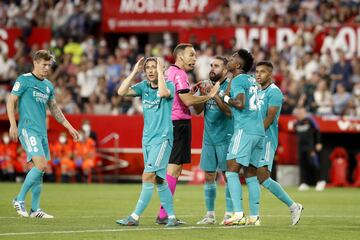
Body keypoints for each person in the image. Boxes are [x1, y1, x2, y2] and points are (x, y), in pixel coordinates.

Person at [7, 49, 80, 218]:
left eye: (49, 65)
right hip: (27, 128)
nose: (47, 68)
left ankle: (35, 209)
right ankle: (19, 199)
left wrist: (69, 127)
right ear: (35, 63)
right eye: (44, 64)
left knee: (39, 171)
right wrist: (13, 125)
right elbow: (11, 101)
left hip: (41, 132)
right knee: (41, 165)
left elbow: (54, 109)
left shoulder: (48, 85)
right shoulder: (24, 80)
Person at [156, 43, 220, 224]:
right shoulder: (180, 74)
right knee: (174, 169)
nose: (194, 58)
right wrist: (210, 95)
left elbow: (179, 96)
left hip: (169, 122)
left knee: (172, 168)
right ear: (180, 57)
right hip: (179, 123)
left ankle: (163, 214)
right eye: (191, 55)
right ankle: (164, 214)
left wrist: (191, 93)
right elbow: (186, 99)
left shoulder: (169, 72)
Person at [116, 57, 178, 227]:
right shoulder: (143, 87)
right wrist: (134, 72)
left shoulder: (169, 86)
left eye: (154, 67)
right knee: (159, 180)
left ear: (161, 69)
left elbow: (164, 93)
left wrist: (160, 72)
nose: (150, 70)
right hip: (147, 140)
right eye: (148, 68)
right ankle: (171, 217)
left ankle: (134, 217)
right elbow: (121, 92)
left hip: (163, 139)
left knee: (148, 175)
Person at [255, 61, 303, 225]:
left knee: (262, 176)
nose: (258, 74)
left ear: (270, 74)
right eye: (257, 71)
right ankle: (251, 215)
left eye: (262, 72)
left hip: (266, 139)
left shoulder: (274, 92)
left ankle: (293, 206)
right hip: (254, 137)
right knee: (252, 175)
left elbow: (269, 118)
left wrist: (255, 134)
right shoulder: (257, 91)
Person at [222, 49, 263, 226]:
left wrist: (224, 98)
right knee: (251, 174)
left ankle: (238, 214)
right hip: (258, 130)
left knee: (230, 169)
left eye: (232, 58)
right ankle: (254, 217)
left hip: (244, 130)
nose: (229, 59)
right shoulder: (251, 79)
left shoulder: (238, 80)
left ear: (238, 65)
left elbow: (239, 103)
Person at [193, 56, 234, 225]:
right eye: (211, 65)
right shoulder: (205, 84)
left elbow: (229, 111)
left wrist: (213, 94)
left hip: (226, 137)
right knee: (209, 175)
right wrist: (201, 95)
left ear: (225, 70)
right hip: (208, 138)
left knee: (228, 175)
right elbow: (196, 111)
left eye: (216, 66)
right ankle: (210, 215)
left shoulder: (231, 85)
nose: (212, 68)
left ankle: (230, 214)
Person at [293, 107, 324, 191]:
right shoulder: (296, 123)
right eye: (298, 113)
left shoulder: (310, 121)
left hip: (310, 147)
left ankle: (320, 181)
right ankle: (304, 183)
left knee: (313, 164)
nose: (300, 114)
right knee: (303, 165)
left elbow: (317, 131)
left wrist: (318, 142)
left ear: (305, 113)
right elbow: (296, 134)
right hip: (300, 147)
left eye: (302, 113)